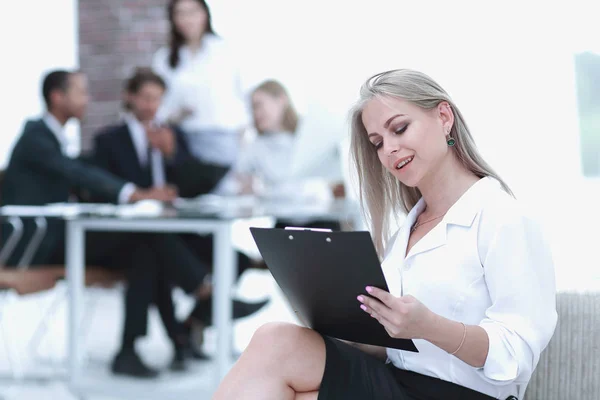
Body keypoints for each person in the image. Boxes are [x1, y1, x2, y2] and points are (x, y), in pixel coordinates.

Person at [212, 69, 558, 400]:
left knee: (277, 345)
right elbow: (399, 350)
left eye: (400, 128)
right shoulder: (408, 229)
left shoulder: (504, 218)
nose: (388, 150)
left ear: (443, 117)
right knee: (276, 345)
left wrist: (428, 325)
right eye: (377, 142)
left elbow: (515, 356)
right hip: (401, 382)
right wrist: (333, 317)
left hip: (463, 394)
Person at [91, 67, 268, 358]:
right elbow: (102, 189)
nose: (151, 106)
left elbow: (195, 185)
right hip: (134, 235)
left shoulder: (174, 136)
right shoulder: (109, 141)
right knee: (151, 251)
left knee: (233, 258)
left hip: (175, 230)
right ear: (130, 98)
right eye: (146, 98)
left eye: (158, 99)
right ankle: (207, 302)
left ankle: (192, 322)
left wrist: (173, 154)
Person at [228, 79, 343, 231]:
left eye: (259, 105)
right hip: (284, 225)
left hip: (321, 221)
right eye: (253, 109)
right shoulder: (256, 146)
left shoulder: (309, 132)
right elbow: (239, 184)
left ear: (281, 100)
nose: (256, 113)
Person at [152, 0, 248, 174]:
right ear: (172, 19)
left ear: (205, 14)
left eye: (193, 12)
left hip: (223, 138)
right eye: (180, 13)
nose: (188, 19)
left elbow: (242, 97)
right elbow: (158, 108)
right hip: (184, 141)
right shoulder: (164, 59)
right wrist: (175, 115)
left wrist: (243, 141)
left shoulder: (225, 50)